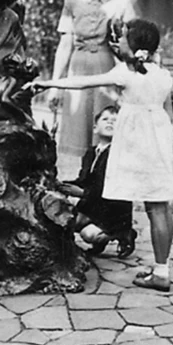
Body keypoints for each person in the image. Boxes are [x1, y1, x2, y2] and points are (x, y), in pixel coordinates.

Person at [32, 19, 173, 291]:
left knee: (154, 207)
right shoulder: (162, 74)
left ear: (134, 46)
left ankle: (160, 274)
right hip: (160, 141)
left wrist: (49, 83)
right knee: (161, 206)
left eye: (121, 39)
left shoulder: (126, 73)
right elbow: (167, 113)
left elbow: (85, 81)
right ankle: (162, 266)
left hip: (141, 144)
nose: (117, 43)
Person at [49, 0, 138, 163]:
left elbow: (134, 40)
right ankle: (84, 178)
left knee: (107, 123)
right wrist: (55, 85)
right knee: (79, 125)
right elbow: (65, 43)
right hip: (78, 66)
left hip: (107, 66)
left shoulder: (123, 1)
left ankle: (107, 178)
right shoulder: (72, 0)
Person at [58, 106, 137, 258]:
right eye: (105, 119)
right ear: (95, 128)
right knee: (67, 221)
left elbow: (109, 187)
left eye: (115, 121)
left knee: (88, 234)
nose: (110, 123)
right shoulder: (91, 152)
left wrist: (82, 193)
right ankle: (98, 240)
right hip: (92, 206)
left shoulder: (119, 155)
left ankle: (123, 233)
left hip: (112, 210)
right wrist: (63, 185)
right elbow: (84, 180)